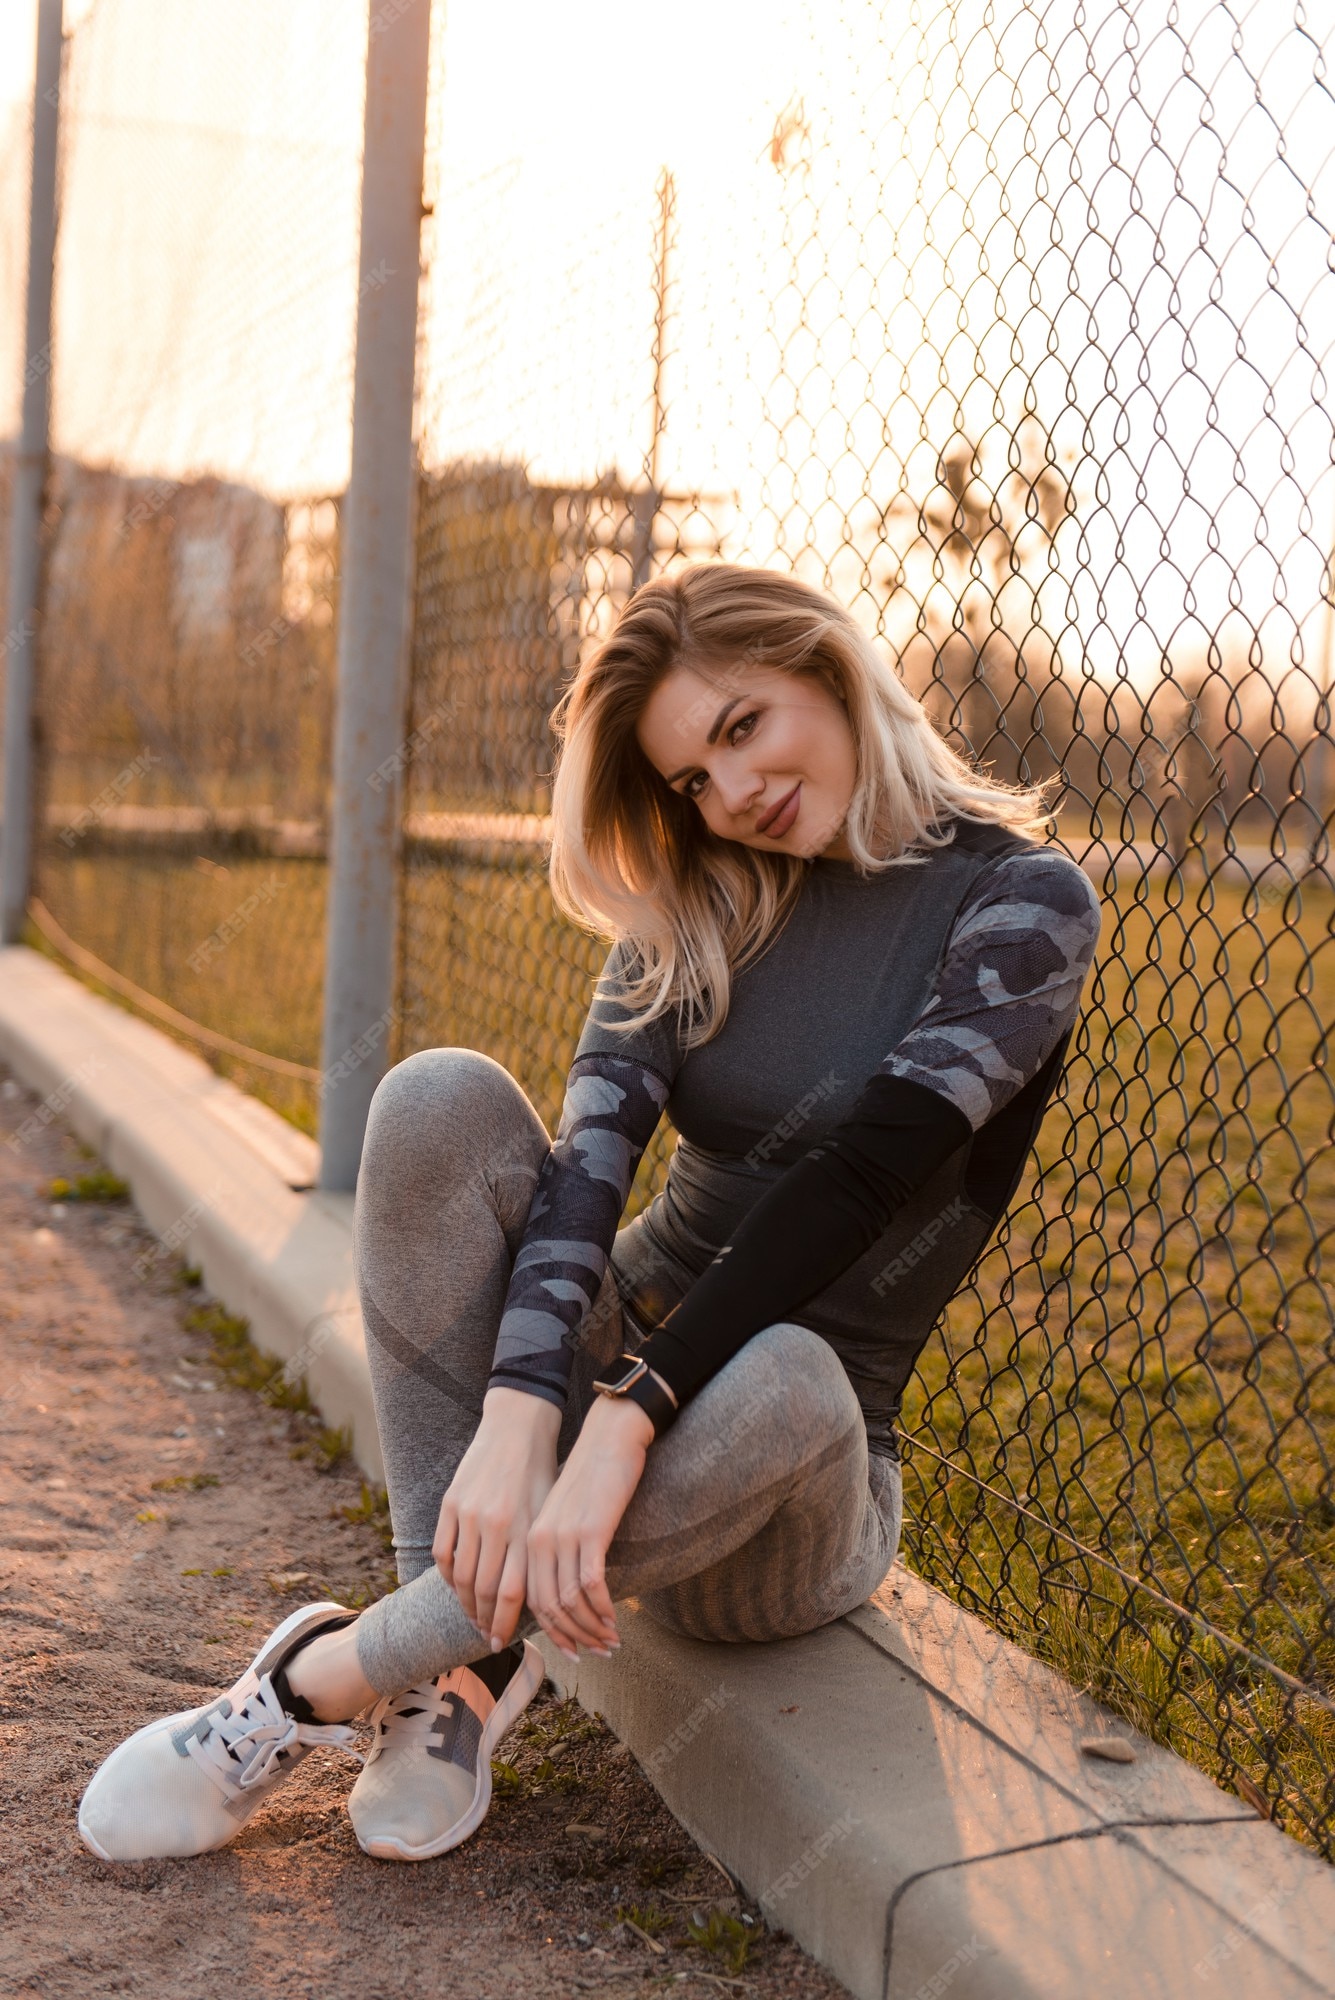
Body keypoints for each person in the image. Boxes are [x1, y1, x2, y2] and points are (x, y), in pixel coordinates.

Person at [78, 562, 1101, 1864]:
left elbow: (848, 1188)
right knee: (436, 1099)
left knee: (788, 1375)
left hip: (788, 1470)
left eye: (743, 728)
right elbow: (590, 1167)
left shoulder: (1020, 903)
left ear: (828, 669)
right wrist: (520, 1414)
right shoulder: (707, 890)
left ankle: (320, 1684)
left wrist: (626, 1413)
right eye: (691, 777)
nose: (732, 793)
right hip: (619, 1355)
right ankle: (462, 1682)